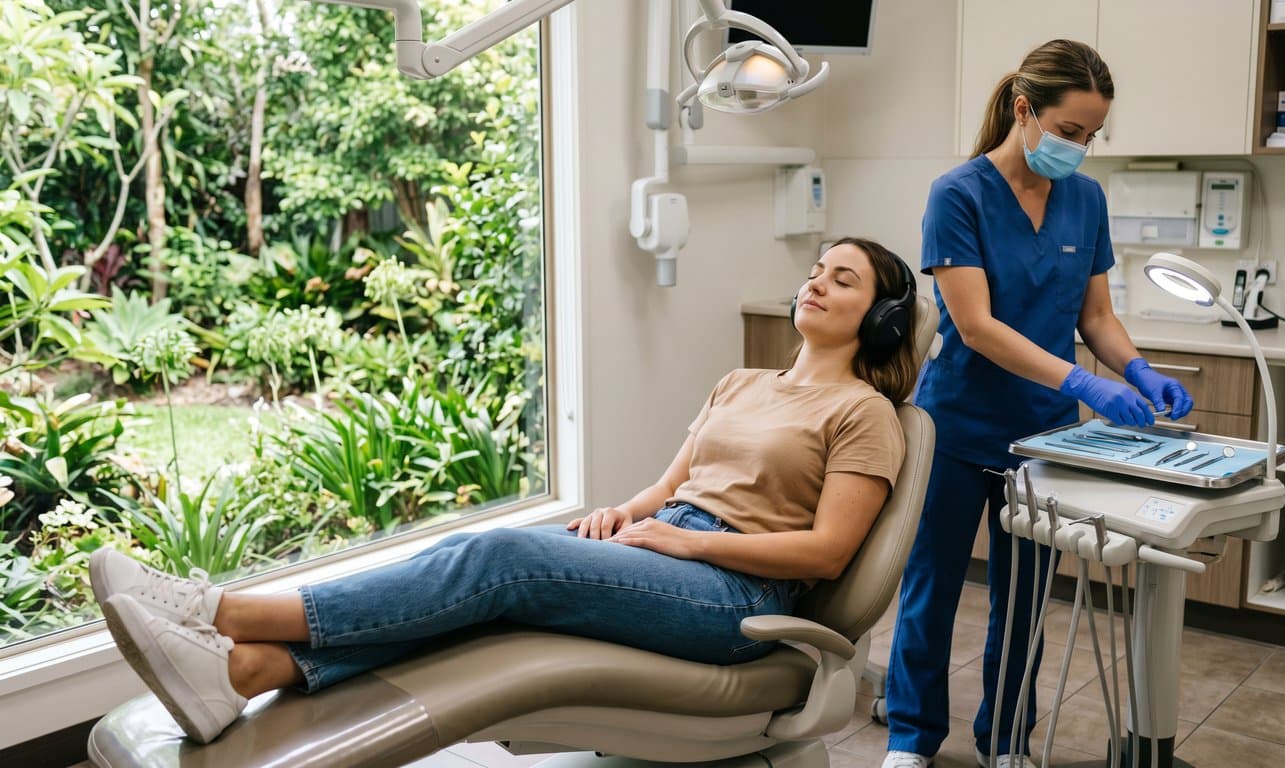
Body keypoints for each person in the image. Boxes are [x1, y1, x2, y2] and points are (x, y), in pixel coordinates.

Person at [92, 236, 920, 745]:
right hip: (667, 547)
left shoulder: (866, 413)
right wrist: (623, 517)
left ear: (880, 317)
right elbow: (670, 486)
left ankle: (219, 614)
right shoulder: (742, 381)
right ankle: (249, 671)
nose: (816, 281)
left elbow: (826, 552)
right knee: (468, 560)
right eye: (816, 269)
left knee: (500, 558)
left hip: (735, 597)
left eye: (842, 279)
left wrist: (684, 539)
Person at [881, 40, 1195, 768]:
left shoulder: (1085, 198)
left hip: (1044, 441)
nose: (1082, 148)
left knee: (1023, 603)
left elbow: (1096, 317)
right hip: (956, 427)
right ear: (1025, 112)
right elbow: (976, 325)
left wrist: (1138, 369)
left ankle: (1006, 741)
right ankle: (910, 737)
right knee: (931, 589)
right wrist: (1086, 384)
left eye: (1092, 135)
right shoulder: (957, 194)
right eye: (1072, 131)